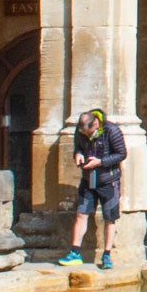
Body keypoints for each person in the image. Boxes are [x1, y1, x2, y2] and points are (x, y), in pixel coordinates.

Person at [58, 108, 126, 270]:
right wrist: (78, 154)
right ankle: (75, 253)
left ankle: (107, 254)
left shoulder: (112, 131)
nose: (87, 136)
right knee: (81, 214)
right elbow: (78, 146)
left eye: (89, 133)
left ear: (95, 123)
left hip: (108, 180)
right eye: (84, 133)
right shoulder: (81, 131)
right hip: (88, 179)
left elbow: (121, 154)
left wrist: (100, 162)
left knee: (109, 217)